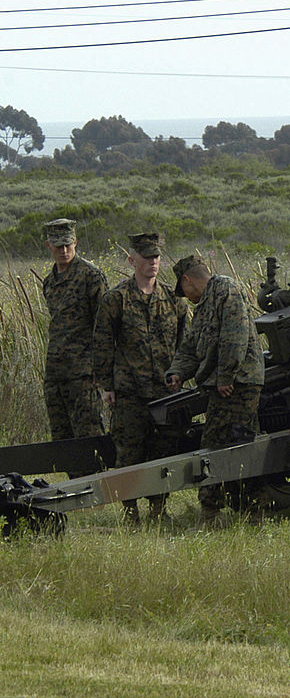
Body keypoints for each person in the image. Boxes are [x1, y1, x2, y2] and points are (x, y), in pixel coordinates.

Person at [93, 232, 189, 526]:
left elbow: (187, 342)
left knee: (162, 452)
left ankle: (159, 509)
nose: (153, 263)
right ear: (132, 260)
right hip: (129, 392)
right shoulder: (116, 299)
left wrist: (181, 374)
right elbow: (102, 343)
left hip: (165, 391)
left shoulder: (174, 299)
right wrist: (106, 385)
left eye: (157, 257)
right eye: (147, 257)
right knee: (129, 452)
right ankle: (129, 512)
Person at [166, 254, 265, 527]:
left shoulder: (226, 289)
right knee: (235, 444)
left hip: (238, 385)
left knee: (218, 446)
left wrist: (225, 376)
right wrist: (177, 373)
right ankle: (248, 511)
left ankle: (214, 514)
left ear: (187, 280)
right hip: (224, 385)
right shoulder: (203, 306)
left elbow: (235, 335)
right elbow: (191, 346)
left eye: (183, 290)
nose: (185, 296)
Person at [40, 218, 107, 442]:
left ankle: (96, 478)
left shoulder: (91, 276)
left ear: (76, 242)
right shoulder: (50, 282)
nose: (64, 250)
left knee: (89, 439)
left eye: (68, 244)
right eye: (59, 246)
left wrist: (101, 369)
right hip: (56, 373)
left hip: (84, 374)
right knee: (62, 440)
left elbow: (104, 325)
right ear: (49, 245)